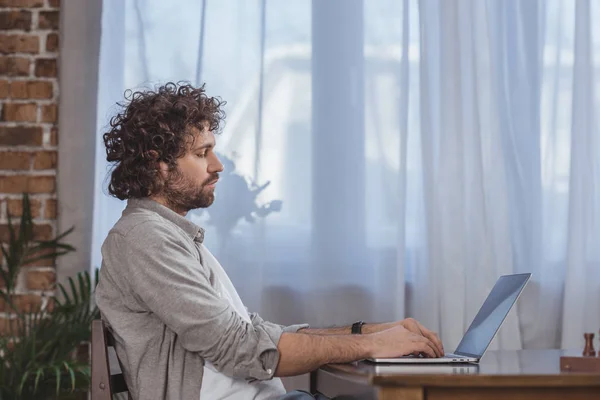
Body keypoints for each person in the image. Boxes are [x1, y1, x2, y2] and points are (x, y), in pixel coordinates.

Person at [95, 82, 444, 400]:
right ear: (159, 165)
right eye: (202, 154)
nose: (218, 165)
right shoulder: (143, 238)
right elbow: (241, 349)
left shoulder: (171, 236)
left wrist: (365, 333)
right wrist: (370, 345)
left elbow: (253, 333)